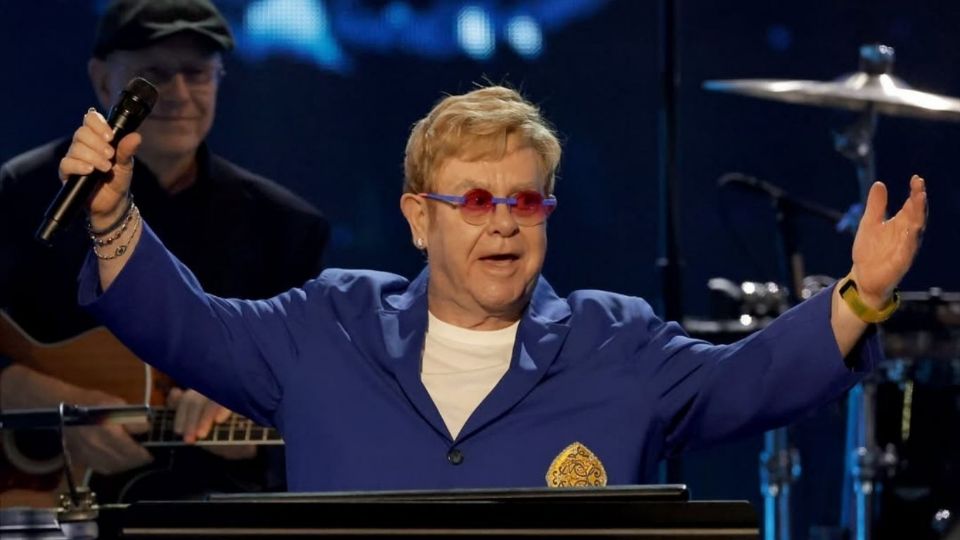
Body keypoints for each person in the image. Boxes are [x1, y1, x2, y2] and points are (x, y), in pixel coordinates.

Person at [66, 85, 924, 491]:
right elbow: (189, 329)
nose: (505, 224)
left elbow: (747, 381)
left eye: (526, 200)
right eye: (476, 201)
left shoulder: (614, 341)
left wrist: (860, 294)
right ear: (418, 218)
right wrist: (110, 216)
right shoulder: (329, 324)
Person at [0, 0, 328, 501]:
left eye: (197, 73)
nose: (177, 94)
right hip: (39, 505)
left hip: (214, 511)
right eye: (152, 76)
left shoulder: (286, 227)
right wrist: (35, 395)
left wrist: (253, 405)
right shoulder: (21, 193)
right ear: (102, 80)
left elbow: (313, 393)